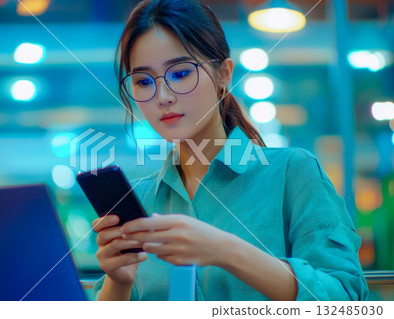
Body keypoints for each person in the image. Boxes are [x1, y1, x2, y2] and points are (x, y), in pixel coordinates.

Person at [90, 0, 369, 301]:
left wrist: (226, 250)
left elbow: (346, 300)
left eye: (181, 73)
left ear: (224, 75)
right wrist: (118, 281)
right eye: (144, 81)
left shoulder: (292, 173)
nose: (163, 96)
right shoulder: (140, 201)